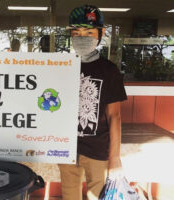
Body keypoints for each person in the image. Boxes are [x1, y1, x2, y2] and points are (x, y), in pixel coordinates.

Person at [58, 5, 127, 200]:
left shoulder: (109, 71)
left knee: (97, 195)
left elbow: (115, 116)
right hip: (65, 149)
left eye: (89, 31)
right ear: (71, 35)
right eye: (77, 32)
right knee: (69, 195)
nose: (82, 37)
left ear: (101, 33)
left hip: (97, 149)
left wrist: (115, 158)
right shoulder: (62, 67)